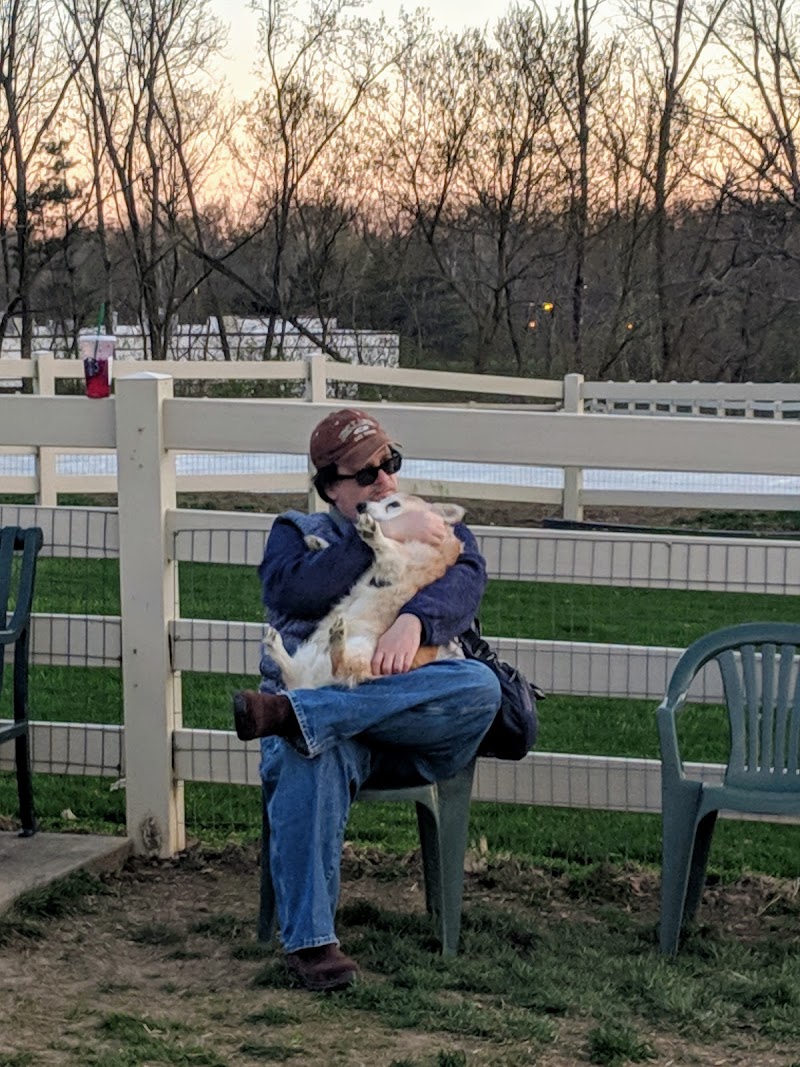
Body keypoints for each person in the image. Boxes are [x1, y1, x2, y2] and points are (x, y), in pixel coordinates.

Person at [233, 408, 501, 992]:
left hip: (410, 722)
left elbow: (467, 580)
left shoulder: (432, 523)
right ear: (331, 487)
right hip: (340, 730)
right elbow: (295, 590)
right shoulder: (295, 533)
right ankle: (311, 947)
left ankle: (294, 715)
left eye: (390, 465)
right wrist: (376, 537)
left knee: (480, 686)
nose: (385, 481)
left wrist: (416, 622)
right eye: (366, 475)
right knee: (312, 751)